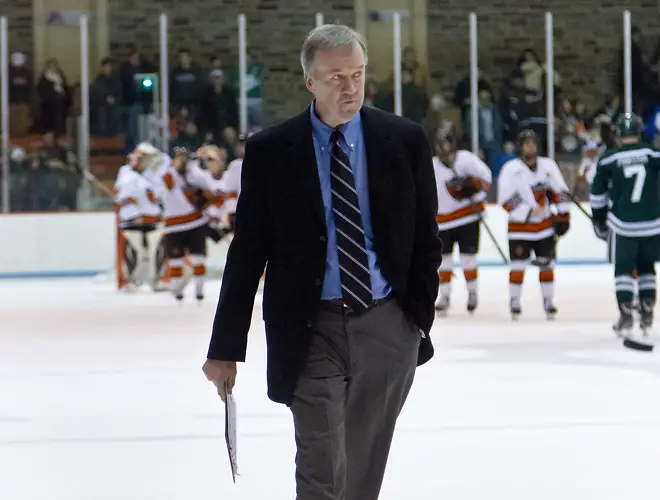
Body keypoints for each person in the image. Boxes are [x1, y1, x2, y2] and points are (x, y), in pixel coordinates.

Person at [202, 23, 443, 500]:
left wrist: (415, 318)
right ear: (309, 81)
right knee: (321, 465)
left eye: (357, 73)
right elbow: (247, 250)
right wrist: (225, 345)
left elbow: (425, 238)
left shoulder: (404, 140)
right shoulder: (272, 150)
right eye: (336, 77)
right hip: (309, 327)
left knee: (362, 466)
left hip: (387, 324)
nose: (350, 86)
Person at [590, 113, 660, 336]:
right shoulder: (653, 154)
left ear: (618, 133)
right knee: (647, 266)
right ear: (639, 131)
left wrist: (598, 218)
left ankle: (626, 314)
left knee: (623, 269)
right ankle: (647, 312)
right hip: (652, 224)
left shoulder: (609, 159)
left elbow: (598, 194)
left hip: (623, 225)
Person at [497, 129, 571, 319]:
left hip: (544, 227)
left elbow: (561, 191)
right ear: (519, 147)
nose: (530, 146)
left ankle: (548, 302)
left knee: (547, 265)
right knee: (518, 265)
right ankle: (514, 301)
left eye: (533, 142)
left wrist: (563, 213)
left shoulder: (548, 166)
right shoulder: (510, 169)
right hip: (519, 229)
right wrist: (528, 211)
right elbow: (504, 198)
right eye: (526, 143)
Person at [432, 128, 492, 315]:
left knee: (468, 259)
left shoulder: (466, 159)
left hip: (467, 218)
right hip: (442, 222)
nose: (443, 147)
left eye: (446, 142)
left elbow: (486, 179)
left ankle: (472, 292)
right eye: (439, 143)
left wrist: (475, 191)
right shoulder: (431, 165)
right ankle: (445, 296)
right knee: (444, 262)